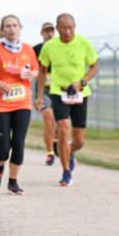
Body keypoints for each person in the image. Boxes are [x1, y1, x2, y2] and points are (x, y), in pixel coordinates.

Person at [0, 15, 38, 195]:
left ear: (20, 28)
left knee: (18, 142)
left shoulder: (28, 49)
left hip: (23, 102)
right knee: (4, 147)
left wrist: (31, 74)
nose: (11, 29)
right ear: (3, 30)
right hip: (0, 104)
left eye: (15, 25)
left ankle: (13, 181)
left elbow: (35, 69)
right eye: (8, 26)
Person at [37, 13, 99, 187]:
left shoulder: (83, 43)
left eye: (71, 27)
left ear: (75, 27)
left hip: (80, 93)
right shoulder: (49, 47)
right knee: (63, 128)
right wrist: (40, 96)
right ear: (57, 29)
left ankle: (69, 152)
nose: (67, 31)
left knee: (79, 141)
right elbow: (42, 71)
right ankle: (66, 172)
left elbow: (95, 66)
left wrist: (83, 81)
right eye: (64, 28)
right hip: (59, 92)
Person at [33, 21, 59, 165]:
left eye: (51, 31)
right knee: (48, 119)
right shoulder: (36, 49)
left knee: (60, 121)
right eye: (46, 31)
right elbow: (29, 66)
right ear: (42, 33)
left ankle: (56, 142)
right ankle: (49, 152)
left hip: (59, 88)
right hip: (43, 89)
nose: (49, 34)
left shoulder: (60, 48)